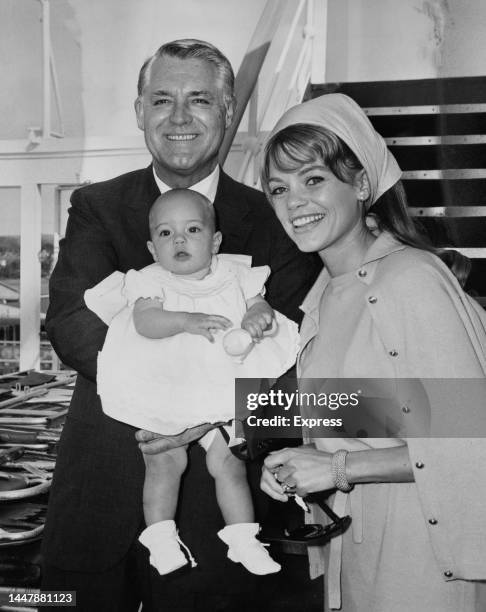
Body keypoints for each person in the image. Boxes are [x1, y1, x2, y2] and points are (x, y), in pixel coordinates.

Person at [42, 39, 322, 612]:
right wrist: (159, 394)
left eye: (199, 99)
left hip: (219, 512)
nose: (178, 117)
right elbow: (71, 321)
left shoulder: (277, 219)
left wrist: (201, 414)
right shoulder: (98, 206)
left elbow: (291, 357)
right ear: (140, 110)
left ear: (228, 110)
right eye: (161, 99)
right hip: (98, 494)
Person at [259, 93, 486, 612]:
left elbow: (470, 437)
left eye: (313, 179)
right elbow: (384, 415)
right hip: (359, 548)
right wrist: (298, 462)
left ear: (361, 183)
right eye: (278, 188)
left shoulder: (410, 280)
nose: (293, 202)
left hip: (426, 557)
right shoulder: (324, 295)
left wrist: (337, 468)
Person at [84, 188, 300, 577]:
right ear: (152, 248)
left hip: (220, 388)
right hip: (169, 388)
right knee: (164, 461)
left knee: (229, 462)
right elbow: (145, 322)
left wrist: (259, 315)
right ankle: (161, 538)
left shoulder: (236, 274)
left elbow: (259, 304)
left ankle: (243, 540)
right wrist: (185, 320)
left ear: (215, 240)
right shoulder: (150, 281)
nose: (179, 240)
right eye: (165, 234)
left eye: (192, 230)